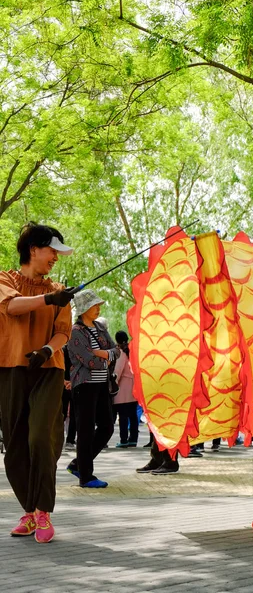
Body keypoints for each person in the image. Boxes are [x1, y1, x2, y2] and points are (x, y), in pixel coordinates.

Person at [0, 222, 74, 543]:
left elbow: (63, 333)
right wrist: (49, 299)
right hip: (10, 368)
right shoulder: (3, 279)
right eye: (52, 251)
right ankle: (29, 513)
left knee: (41, 438)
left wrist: (47, 349)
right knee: (15, 446)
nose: (56, 258)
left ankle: (43, 510)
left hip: (48, 369)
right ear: (34, 249)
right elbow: (12, 307)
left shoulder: (58, 289)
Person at [66, 289, 120, 488]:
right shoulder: (75, 332)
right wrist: (106, 356)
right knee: (86, 431)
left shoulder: (99, 327)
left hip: (101, 385)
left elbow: (117, 350)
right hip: (84, 386)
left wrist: (103, 354)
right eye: (94, 305)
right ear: (84, 308)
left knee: (107, 427)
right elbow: (88, 361)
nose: (98, 309)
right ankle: (85, 476)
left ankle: (78, 464)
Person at [113, 330, 139, 448]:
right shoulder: (133, 351)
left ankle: (123, 440)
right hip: (134, 387)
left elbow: (118, 371)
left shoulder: (121, 354)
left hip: (123, 388)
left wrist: (113, 383)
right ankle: (133, 439)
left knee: (123, 415)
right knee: (133, 415)